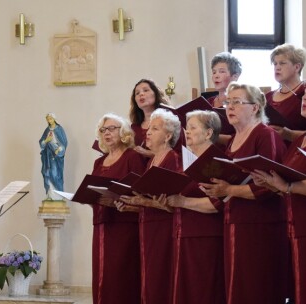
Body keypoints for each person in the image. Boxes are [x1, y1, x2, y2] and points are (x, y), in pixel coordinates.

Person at [199, 82, 288, 303]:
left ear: (255, 107)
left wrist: (229, 189)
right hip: (235, 219)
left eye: (237, 102)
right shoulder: (233, 142)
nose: (230, 106)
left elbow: (270, 184)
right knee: (237, 286)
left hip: (261, 224)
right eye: (228, 102)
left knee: (256, 286)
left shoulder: (265, 135)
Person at [116, 108, 182, 304]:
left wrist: (142, 201)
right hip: (148, 226)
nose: (148, 132)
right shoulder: (152, 160)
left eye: (155, 129)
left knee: (162, 279)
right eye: (149, 128)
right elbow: (150, 201)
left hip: (165, 229)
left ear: (168, 135)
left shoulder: (174, 159)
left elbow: (172, 205)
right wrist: (131, 205)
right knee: (149, 278)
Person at [250, 86, 306, 303]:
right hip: (295, 226)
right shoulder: (299, 140)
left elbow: (291, 185)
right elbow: (287, 182)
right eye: (305, 95)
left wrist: (287, 187)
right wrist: (270, 183)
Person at [166, 110, 226, 304]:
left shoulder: (215, 162)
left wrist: (183, 202)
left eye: (192, 127)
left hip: (205, 235)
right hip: (183, 231)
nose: (187, 132)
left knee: (203, 291)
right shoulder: (188, 160)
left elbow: (218, 203)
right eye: (186, 128)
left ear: (208, 133)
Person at [89, 113, 146, 304]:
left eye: (112, 128)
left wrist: (118, 201)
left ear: (123, 132)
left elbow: (140, 192)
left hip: (124, 224)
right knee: (101, 273)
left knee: (120, 275)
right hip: (101, 222)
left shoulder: (132, 156)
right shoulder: (99, 161)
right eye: (103, 129)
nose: (107, 133)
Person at [129, 79, 183, 159]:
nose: (141, 94)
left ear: (156, 93)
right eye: (137, 93)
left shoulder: (170, 121)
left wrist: (148, 153)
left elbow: (179, 154)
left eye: (146, 90)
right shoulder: (134, 127)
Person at [265, 44, 306, 143]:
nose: (277, 68)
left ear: (297, 67)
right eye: (275, 64)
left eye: (282, 63)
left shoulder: (304, 91)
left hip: (298, 154)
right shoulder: (268, 96)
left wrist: (289, 134)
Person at [39, 113, 68, 200]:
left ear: (54, 119)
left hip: (56, 156)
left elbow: (64, 143)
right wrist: (46, 140)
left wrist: (59, 149)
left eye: (50, 119)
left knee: (55, 174)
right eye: (47, 119)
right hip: (47, 155)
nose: (49, 121)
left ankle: (58, 196)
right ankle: (50, 194)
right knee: (47, 173)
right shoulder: (47, 130)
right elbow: (42, 143)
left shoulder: (59, 129)